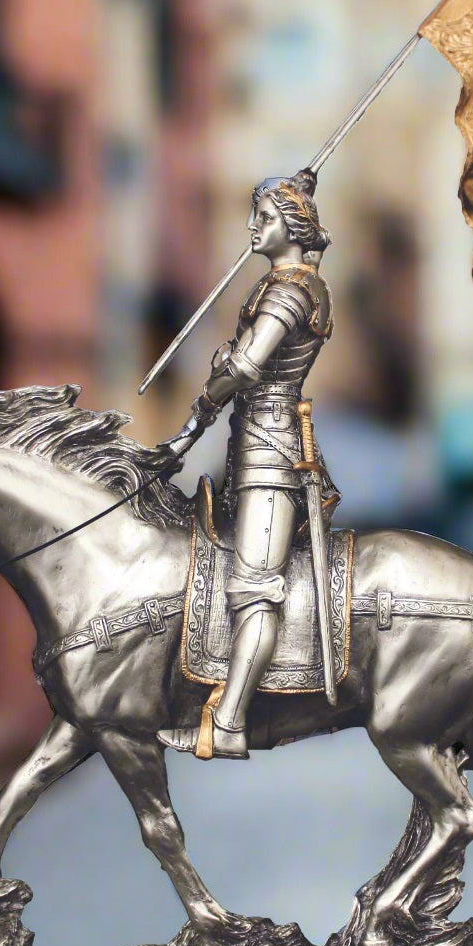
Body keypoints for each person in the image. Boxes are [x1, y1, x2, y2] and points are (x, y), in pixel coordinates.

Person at [157, 168, 334, 759]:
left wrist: (203, 404)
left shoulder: (289, 291)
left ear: (293, 226)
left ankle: (229, 721)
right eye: (255, 216)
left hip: (270, 448)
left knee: (255, 587)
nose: (253, 227)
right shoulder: (290, 283)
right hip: (255, 442)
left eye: (266, 218)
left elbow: (250, 365)